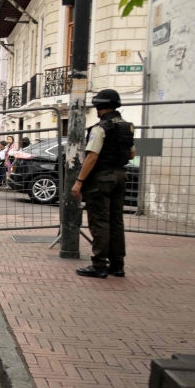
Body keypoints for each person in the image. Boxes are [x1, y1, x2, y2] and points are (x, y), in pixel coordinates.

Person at [72, 89, 135, 279]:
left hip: (101, 179)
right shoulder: (127, 126)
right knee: (116, 222)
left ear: (99, 107)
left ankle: (99, 265)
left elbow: (92, 157)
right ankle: (117, 265)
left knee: (99, 222)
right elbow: (132, 154)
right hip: (120, 176)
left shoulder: (100, 128)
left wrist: (79, 181)